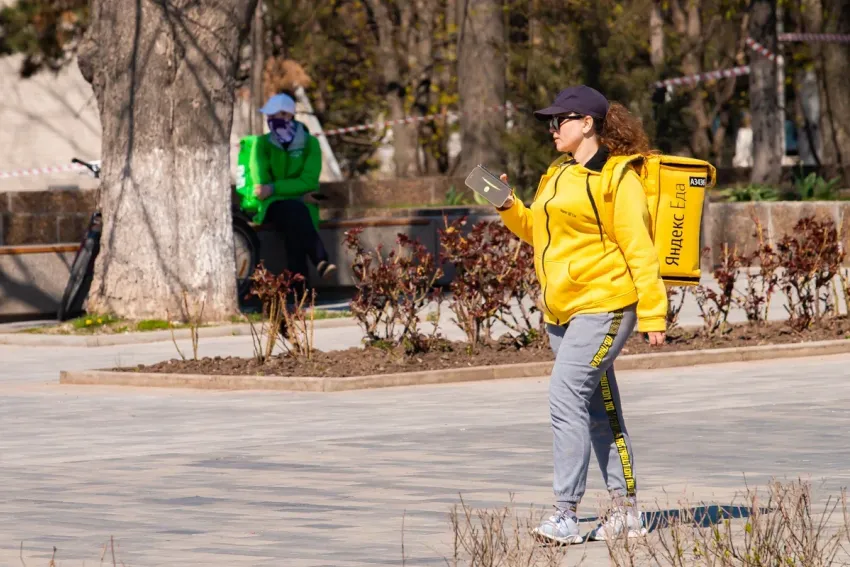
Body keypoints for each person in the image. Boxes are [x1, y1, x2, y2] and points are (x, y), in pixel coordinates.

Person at [495, 85, 668, 544]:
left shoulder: (618, 177)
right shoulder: (557, 173)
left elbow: (640, 247)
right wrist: (508, 207)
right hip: (563, 311)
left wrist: (653, 313)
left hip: (608, 304)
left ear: (587, 123)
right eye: (550, 122)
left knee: (564, 396)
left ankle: (566, 514)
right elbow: (538, 230)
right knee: (598, 408)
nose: (553, 129)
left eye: (561, 120)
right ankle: (625, 510)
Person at [244, 92, 337, 287]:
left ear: (288, 116)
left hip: (297, 207)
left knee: (294, 220)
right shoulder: (262, 144)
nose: (269, 119)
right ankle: (320, 259)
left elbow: (309, 182)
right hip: (272, 206)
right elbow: (261, 183)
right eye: (268, 115)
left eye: (274, 115)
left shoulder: (311, 144)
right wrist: (292, 192)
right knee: (295, 211)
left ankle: (298, 290)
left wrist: (275, 188)